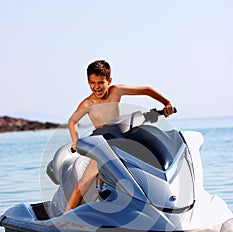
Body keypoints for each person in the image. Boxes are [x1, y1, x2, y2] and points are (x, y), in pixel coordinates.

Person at [65, 59, 175, 212]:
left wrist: (166, 102)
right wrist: (75, 140)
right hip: (103, 146)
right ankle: (63, 219)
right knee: (82, 185)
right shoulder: (87, 104)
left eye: (101, 82)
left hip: (122, 140)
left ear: (109, 81)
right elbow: (72, 121)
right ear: (88, 82)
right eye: (92, 83)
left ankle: (158, 204)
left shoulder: (116, 91)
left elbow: (147, 90)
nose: (96, 87)